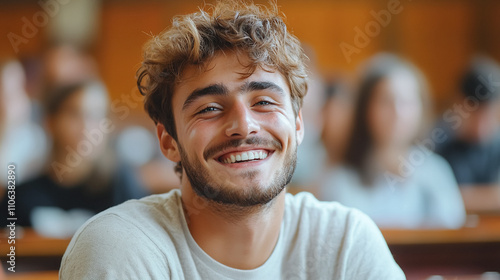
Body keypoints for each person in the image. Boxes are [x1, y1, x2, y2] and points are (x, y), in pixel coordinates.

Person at [60, 2, 405, 279]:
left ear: (298, 124)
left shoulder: (346, 243)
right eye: (210, 108)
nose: (244, 125)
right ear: (168, 141)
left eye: (264, 102)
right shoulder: (120, 249)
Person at [317, 54, 466, 229]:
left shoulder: (435, 171)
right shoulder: (340, 179)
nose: (398, 112)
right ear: (365, 109)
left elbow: (454, 235)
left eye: (407, 102)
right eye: (386, 101)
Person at [0, 81, 148, 235]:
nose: (86, 126)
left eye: (96, 115)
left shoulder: (121, 185)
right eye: (74, 114)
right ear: (50, 122)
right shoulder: (22, 196)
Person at [435, 56, 500, 187]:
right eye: (475, 116)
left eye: (488, 117)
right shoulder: (437, 141)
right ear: (459, 104)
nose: (481, 127)